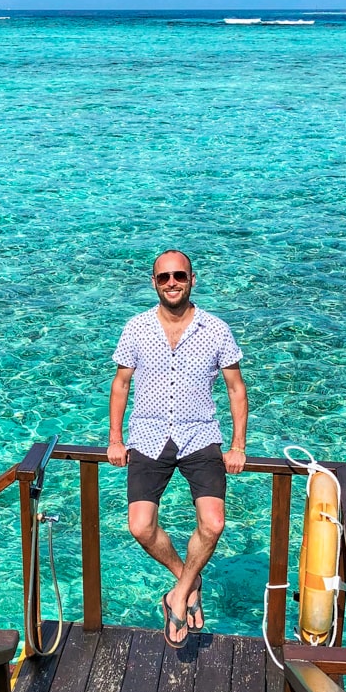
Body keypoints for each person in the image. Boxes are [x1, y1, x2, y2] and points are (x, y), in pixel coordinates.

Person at [107, 250, 248, 647]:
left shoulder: (216, 329)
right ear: (154, 282)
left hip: (200, 435)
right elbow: (120, 385)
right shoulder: (136, 328)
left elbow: (236, 390)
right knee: (140, 526)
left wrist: (238, 445)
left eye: (179, 275)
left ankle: (179, 596)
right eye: (164, 277)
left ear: (192, 279)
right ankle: (188, 578)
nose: (172, 282)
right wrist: (115, 440)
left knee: (214, 523)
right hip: (148, 435)